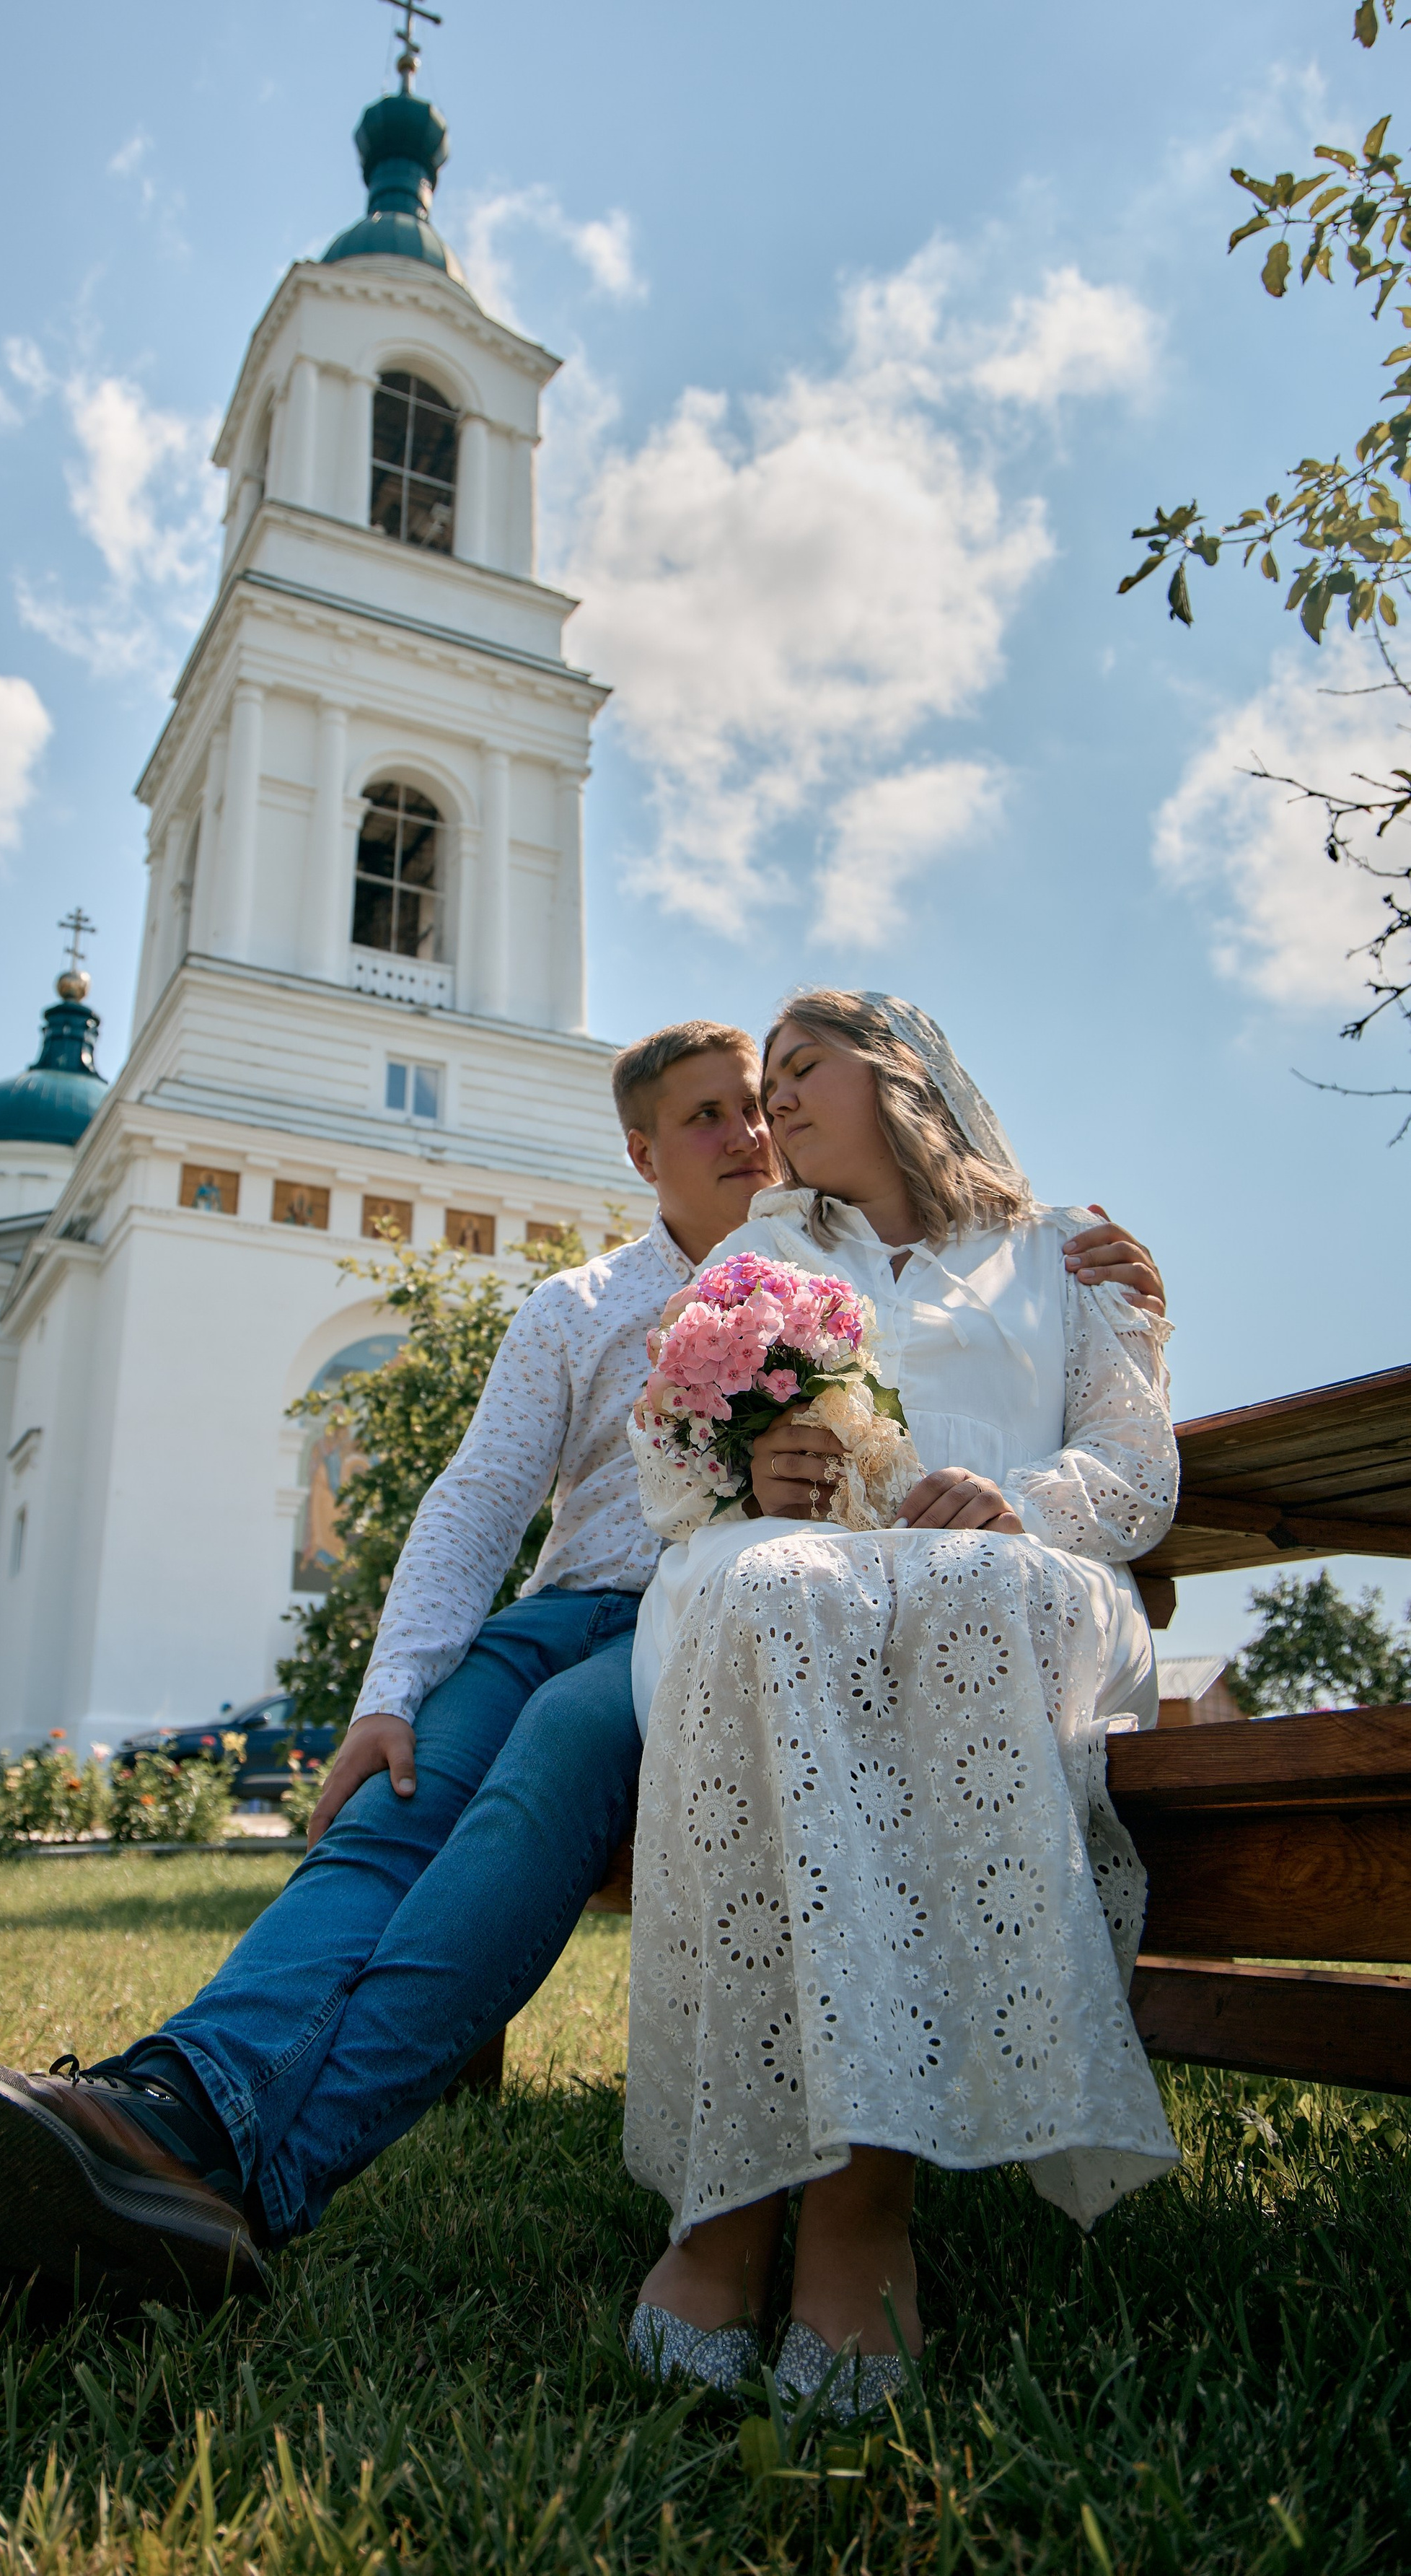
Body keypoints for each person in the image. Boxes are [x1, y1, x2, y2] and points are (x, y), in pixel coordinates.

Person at [0, 1017, 1167, 2314]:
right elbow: (480, 1496)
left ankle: (225, 2165)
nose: (754, 1132)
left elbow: (976, 1338)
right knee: (397, 1801)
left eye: (768, 1106)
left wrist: (1101, 1283)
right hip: (565, 1614)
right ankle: (166, 2101)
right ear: (643, 1152)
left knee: (540, 1775)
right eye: (715, 1115)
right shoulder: (592, 1302)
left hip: (711, 1617)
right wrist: (388, 1700)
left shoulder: (835, 1255)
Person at [621, 990, 1180, 2419]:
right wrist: (751, 1478)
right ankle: (729, 2199)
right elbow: (670, 1476)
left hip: (1011, 1579)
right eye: (765, 1080)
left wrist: (1021, 1499)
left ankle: (860, 2209)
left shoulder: (1066, 1254)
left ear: (904, 1074)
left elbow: (1133, 1473)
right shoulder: (758, 1252)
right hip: (795, 1578)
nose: (775, 1105)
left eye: (803, 1070)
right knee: (776, 1593)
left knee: (947, 1601)